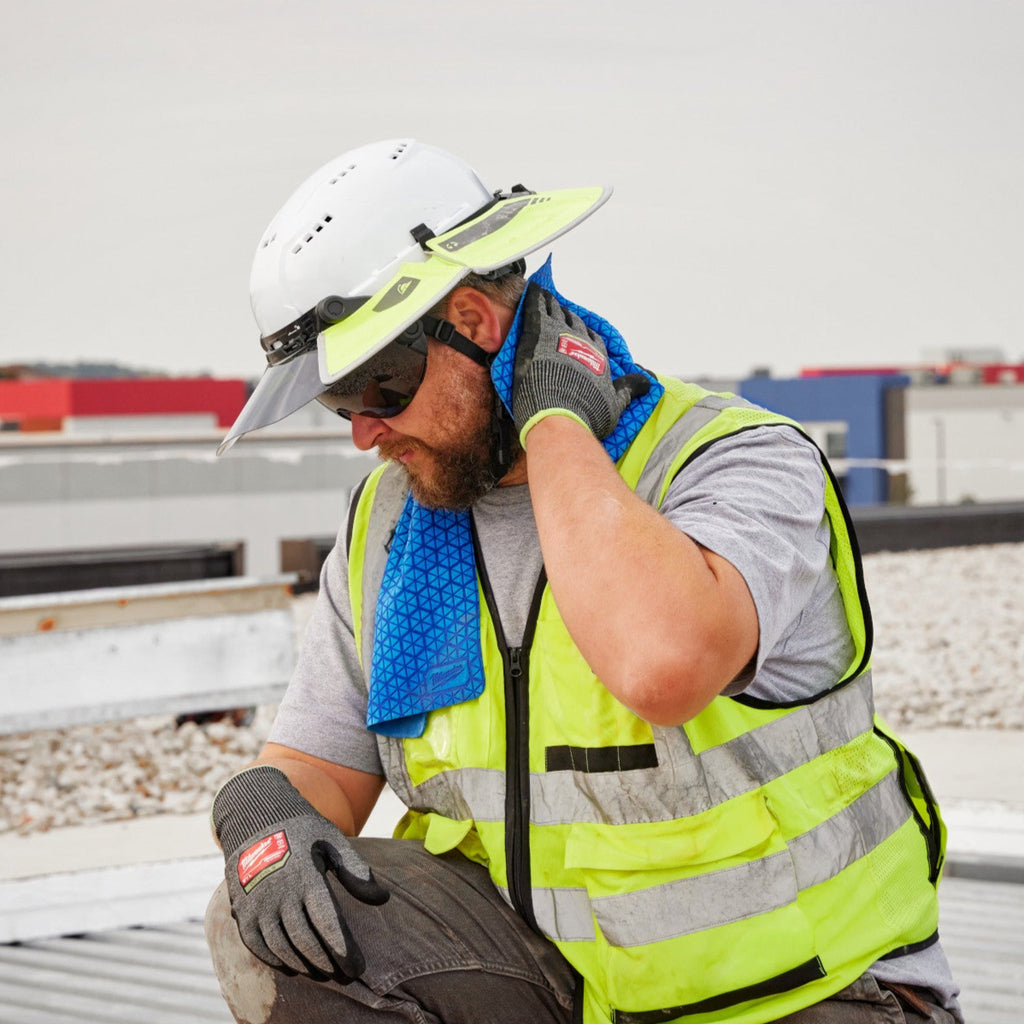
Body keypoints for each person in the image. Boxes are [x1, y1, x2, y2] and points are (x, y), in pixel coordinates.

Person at [206, 138, 963, 1024]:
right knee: (275, 918)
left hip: (812, 996)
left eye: (379, 386)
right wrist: (259, 812)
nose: (363, 434)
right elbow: (318, 766)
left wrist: (556, 417)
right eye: (340, 401)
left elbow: (662, 664)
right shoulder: (392, 526)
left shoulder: (733, 461)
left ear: (477, 327)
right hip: (569, 994)